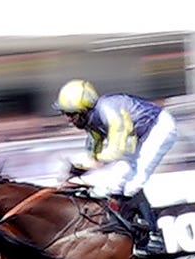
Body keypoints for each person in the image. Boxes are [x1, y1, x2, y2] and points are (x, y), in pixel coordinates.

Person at [56, 80, 177, 248]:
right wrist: (78, 172)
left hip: (159, 127)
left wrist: (89, 165)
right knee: (117, 183)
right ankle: (125, 227)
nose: (68, 119)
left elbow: (116, 150)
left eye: (71, 114)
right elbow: (94, 154)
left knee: (133, 182)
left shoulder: (108, 110)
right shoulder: (91, 122)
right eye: (65, 114)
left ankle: (154, 235)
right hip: (139, 136)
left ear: (84, 110)